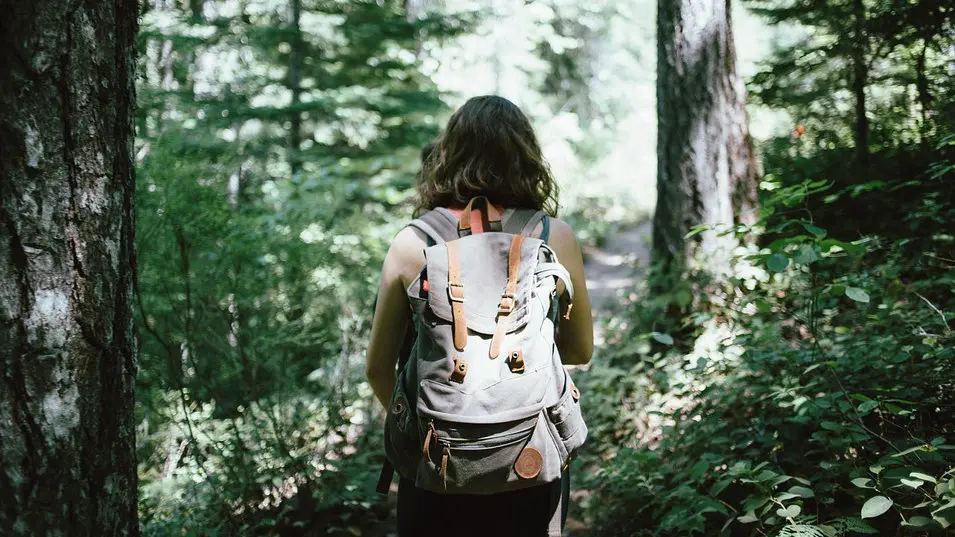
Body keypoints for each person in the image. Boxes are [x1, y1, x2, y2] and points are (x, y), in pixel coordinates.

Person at [365, 95, 594, 536]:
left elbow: (378, 368)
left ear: (448, 155)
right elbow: (579, 350)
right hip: (530, 458)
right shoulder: (554, 236)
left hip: (436, 465)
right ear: (526, 157)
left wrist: (429, 429)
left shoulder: (412, 243)